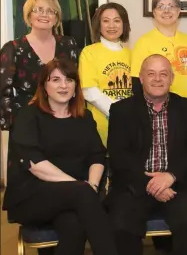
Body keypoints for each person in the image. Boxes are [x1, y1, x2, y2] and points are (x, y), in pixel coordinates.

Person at [1, 59, 117, 255]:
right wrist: (81, 188)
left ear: (75, 87)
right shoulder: (28, 116)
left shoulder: (84, 117)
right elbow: (34, 163)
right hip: (32, 196)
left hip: (76, 197)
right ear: (44, 86)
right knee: (82, 200)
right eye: (56, 80)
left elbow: (97, 156)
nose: (64, 85)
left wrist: (92, 186)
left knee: (74, 225)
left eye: (69, 80)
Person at [105, 55, 187, 255]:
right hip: (134, 184)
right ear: (141, 78)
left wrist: (170, 177)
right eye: (151, 74)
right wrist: (151, 185)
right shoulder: (121, 111)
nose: (157, 79)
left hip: (177, 185)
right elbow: (119, 155)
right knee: (122, 226)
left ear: (172, 78)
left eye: (163, 74)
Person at [0, 0, 79, 131]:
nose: (44, 15)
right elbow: (3, 93)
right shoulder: (12, 49)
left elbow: (75, 83)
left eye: (50, 11)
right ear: (29, 16)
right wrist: (16, 123)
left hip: (63, 123)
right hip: (26, 125)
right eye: (38, 10)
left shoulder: (68, 44)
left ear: (56, 18)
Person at [130, 0, 187, 101]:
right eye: (160, 7)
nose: (166, 11)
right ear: (154, 13)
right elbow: (136, 82)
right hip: (159, 109)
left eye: (171, 6)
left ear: (178, 11)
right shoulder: (144, 42)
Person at [79, 2, 132, 146]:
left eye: (117, 20)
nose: (112, 26)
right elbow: (89, 91)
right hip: (100, 127)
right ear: (99, 24)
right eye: (106, 21)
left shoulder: (132, 54)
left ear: (124, 24)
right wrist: (118, 113)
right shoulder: (89, 52)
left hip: (130, 126)